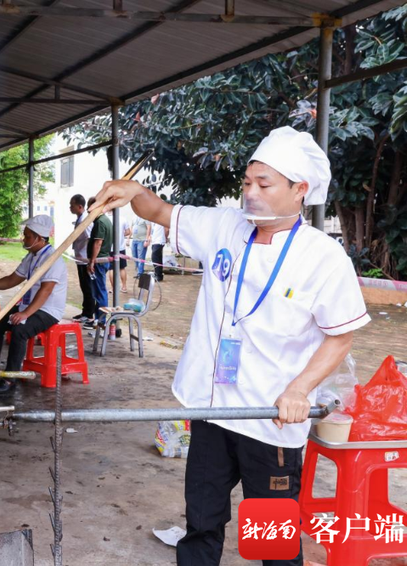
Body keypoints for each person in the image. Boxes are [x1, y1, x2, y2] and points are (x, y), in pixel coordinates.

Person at [91, 126, 370, 566]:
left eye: (264, 184)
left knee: (270, 539)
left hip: (268, 420)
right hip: (212, 408)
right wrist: (131, 190)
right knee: (201, 522)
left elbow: (341, 335)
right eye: (246, 182)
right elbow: (159, 210)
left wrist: (300, 389)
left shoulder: (322, 257)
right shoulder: (224, 226)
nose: (250, 193)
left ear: (300, 189)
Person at [0, 215, 67, 396]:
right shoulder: (32, 256)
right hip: (31, 306)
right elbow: (13, 279)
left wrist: (25, 314)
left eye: (28, 236)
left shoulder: (53, 260)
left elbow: (45, 291)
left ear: (40, 238)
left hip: (48, 310)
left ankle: (10, 379)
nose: (24, 239)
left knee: (20, 330)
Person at [85, 197, 113, 329]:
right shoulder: (104, 220)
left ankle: (101, 320)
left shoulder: (101, 222)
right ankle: (99, 319)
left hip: (99, 261)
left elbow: (98, 242)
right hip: (101, 260)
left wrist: (92, 261)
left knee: (100, 291)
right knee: (99, 290)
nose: (88, 211)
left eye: (90, 208)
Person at [69, 194, 95, 323]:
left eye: (72, 205)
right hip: (80, 257)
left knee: (87, 286)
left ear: (79, 206)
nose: (70, 207)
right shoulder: (80, 218)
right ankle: (85, 311)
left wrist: (91, 259)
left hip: (85, 258)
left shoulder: (85, 220)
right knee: (84, 285)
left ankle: (89, 314)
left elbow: (91, 238)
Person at [110, 213, 131, 294]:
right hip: (120, 247)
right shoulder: (123, 218)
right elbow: (128, 232)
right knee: (122, 267)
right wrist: (121, 235)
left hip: (110, 247)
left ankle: (113, 288)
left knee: (111, 268)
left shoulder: (106, 219)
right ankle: (124, 286)